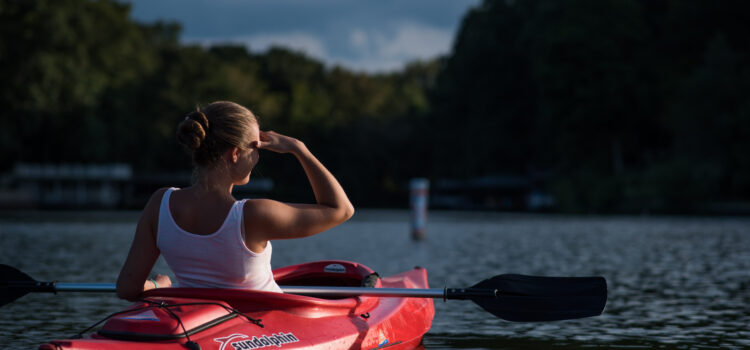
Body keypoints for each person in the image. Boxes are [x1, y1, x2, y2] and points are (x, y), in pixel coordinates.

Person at [116, 101, 354, 300]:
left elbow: (128, 288)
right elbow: (341, 209)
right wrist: (299, 149)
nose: (258, 156)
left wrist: (160, 288)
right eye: (256, 147)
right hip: (264, 330)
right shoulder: (253, 214)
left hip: (204, 327)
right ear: (235, 154)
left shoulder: (160, 203)